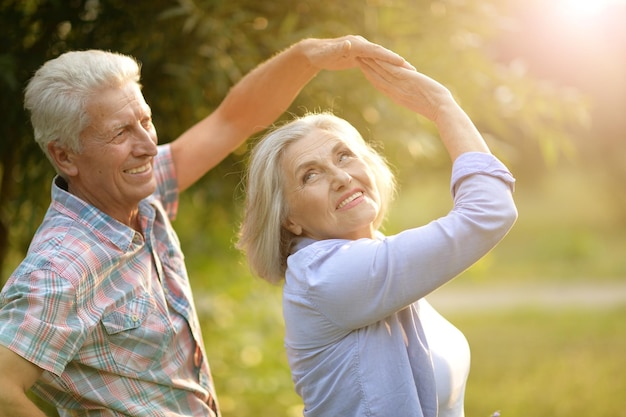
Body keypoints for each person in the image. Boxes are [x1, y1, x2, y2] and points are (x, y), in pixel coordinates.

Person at [0, 36, 411, 417]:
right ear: (66, 156)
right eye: (121, 132)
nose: (146, 145)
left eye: (145, 120)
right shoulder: (59, 268)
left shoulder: (136, 188)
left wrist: (306, 56)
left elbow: (233, 120)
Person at [237, 57, 518, 417]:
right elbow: (488, 212)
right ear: (288, 220)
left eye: (344, 156)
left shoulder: (375, 252)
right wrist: (442, 106)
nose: (340, 176)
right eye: (310, 175)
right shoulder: (326, 276)